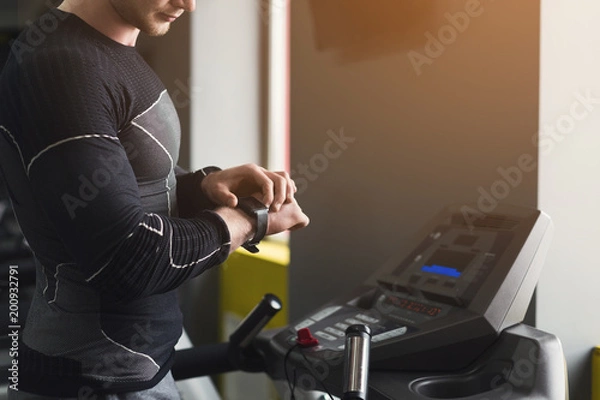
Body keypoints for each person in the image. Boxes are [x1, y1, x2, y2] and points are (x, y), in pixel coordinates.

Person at [0, 0, 310, 398]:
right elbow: (126, 258)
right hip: (93, 381)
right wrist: (251, 220)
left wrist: (202, 188)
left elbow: (115, 190)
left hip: (137, 370)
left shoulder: (109, 48)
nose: (189, 4)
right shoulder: (61, 65)